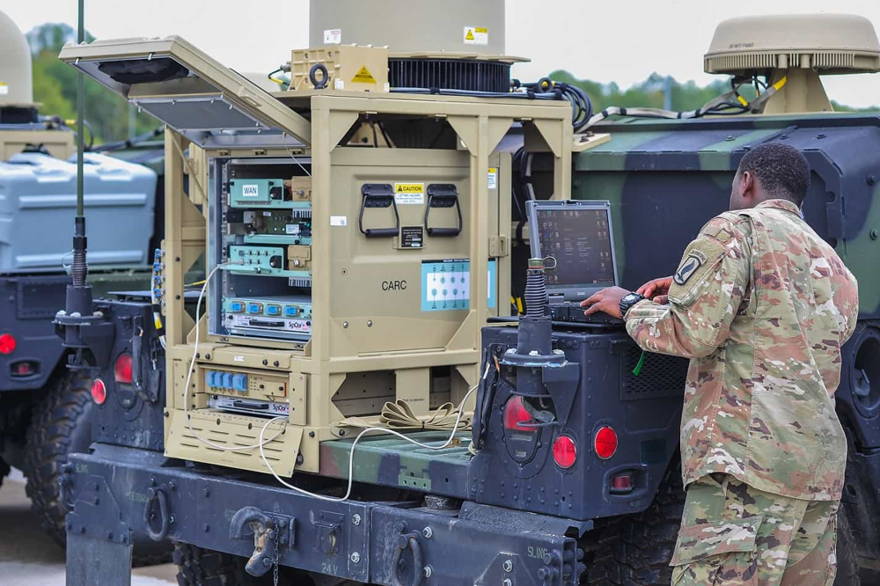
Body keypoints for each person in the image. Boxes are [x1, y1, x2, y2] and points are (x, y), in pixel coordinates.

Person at [580, 142, 859, 585]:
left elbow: (690, 333)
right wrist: (698, 289)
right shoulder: (831, 260)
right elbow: (797, 332)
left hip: (747, 468)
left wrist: (628, 304)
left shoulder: (736, 229)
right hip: (816, 472)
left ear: (746, 181)